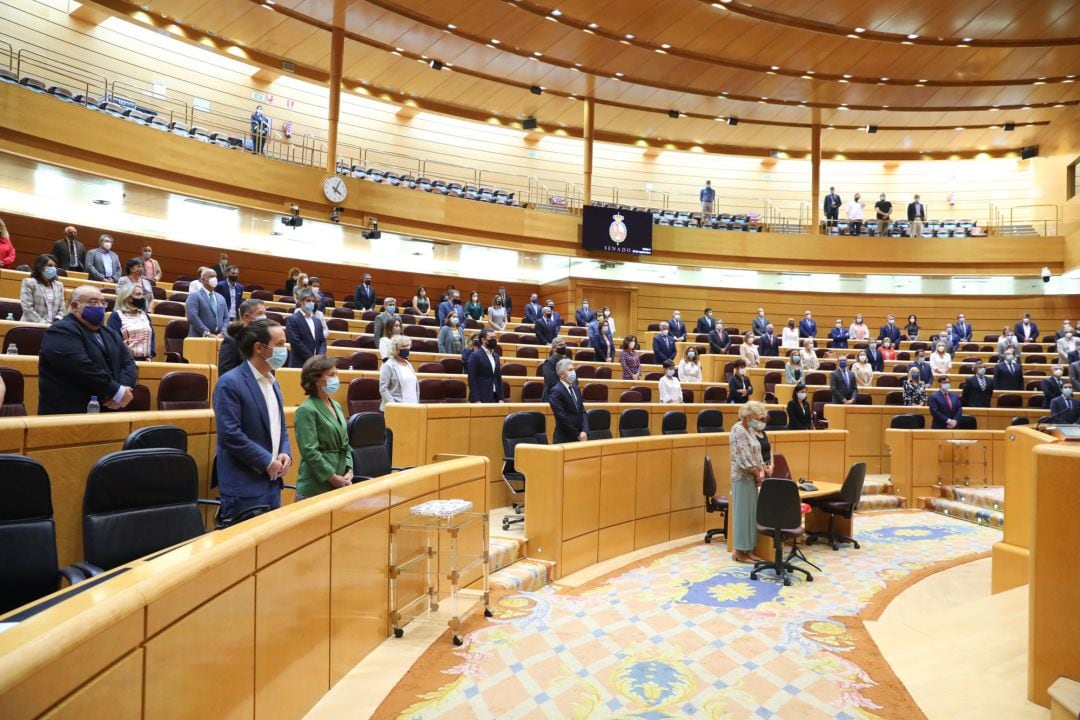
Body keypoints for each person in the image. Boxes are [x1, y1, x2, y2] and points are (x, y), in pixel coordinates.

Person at [214, 319, 291, 519]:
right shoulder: (230, 383)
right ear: (259, 347)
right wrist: (266, 461)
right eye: (280, 344)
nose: (285, 350)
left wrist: (285, 452)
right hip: (244, 488)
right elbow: (230, 434)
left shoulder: (274, 383)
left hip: (273, 483)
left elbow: (280, 426)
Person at [38, 285, 137, 415]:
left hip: (108, 410)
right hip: (69, 413)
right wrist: (116, 391)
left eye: (103, 302)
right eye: (93, 302)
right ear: (74, 306)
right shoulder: (60, 330)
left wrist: (123, 390)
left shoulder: (109, 333)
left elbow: (128, 362)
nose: (100, 306)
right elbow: (81, 367)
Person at [294, 356, 352, 499]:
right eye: (331, 375)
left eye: (336, 374)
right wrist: (332, 477)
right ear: (317, 379)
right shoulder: (306, 409)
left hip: (340, 482)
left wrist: (349, 469)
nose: (336, 378)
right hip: (315, 486)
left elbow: (346, 443)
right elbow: (309, 451)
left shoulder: (336, 405)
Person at [729, 401, 769, 563]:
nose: (759, 420)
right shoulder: (738, 430)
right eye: (757, 417)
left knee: (751, 515)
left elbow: (757, 451)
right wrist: (756, 472)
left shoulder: (750, 429)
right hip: (742, 477)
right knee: (742, 515)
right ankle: (739, 552)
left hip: (752, 477)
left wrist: (761, 469)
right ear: (748, 416)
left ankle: (748, 550)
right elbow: (743, 456)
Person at [107, 282, 155, 361]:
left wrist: (150, 356)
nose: (142, 297)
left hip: (146, 361)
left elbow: (152, 337)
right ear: (128, 298)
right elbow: (113, 341)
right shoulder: (116, 316)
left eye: (143, 294)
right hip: (124, 362)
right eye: (138, 294)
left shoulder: (145, 315)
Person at [219, 299, 266, 375]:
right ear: (246, 317)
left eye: (264, 313)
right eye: (260, 313)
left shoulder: (261, 338)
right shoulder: (231, 341)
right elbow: (225, 374)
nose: (264, 317)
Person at [549, 358, 589, 443]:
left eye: (574, 369)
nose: (573, 372)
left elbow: (583, 411)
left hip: (581, 437)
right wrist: (577, 435)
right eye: (570, 370)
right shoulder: (556, 391)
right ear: (562, 374)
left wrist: (585, 431)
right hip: (565, 439)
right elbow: (562, 417)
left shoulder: (576, 389)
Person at [285, 289, 327, 368]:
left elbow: (322, 341)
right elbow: (296, 343)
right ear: (301, 301)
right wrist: (312, 359)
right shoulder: (292, 319)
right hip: (299, 364)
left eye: (313, 301)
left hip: (316, 365)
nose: (311, 303)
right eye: (308, 300)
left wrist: (319, 357)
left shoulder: (317, 321)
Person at [20, 254, 65, 324]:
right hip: (31, 325)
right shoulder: (29, 283)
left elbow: (62, 309)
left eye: (55, 266)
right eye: (50, 265)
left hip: (53, 327)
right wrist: (43, 324)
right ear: (40, 267)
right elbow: (27, 308)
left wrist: (57, 321)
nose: (53, 268)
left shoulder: (59, 285)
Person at [380, 335, 419, 410]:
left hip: (413, 407)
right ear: (396, 349)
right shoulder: (388, 365)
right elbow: (383, 388)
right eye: (404, 346)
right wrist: (394, 406)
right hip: (397, 408)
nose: (407, 349)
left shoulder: (409, 365)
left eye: (408, 346)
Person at [186, 267, 226, 338]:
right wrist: (207, 333)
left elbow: (226, 317)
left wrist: (223, 333)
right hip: (199, 338)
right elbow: (192, 316)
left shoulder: (221, 298)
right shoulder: (194, 296)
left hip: (218, 338)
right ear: (203, 280)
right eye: (211, 276)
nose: (215, 279)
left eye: (215, 276)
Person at [467, 330, 504, 403]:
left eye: (495, 337)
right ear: (483, 340)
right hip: (481, 397)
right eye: (491, 337)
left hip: (495, 396)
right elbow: (472, 379)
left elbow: (498, 378)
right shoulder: (475, 356)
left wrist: (501, 398)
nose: (494, 340)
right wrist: (476, 400)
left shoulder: (496, 356)